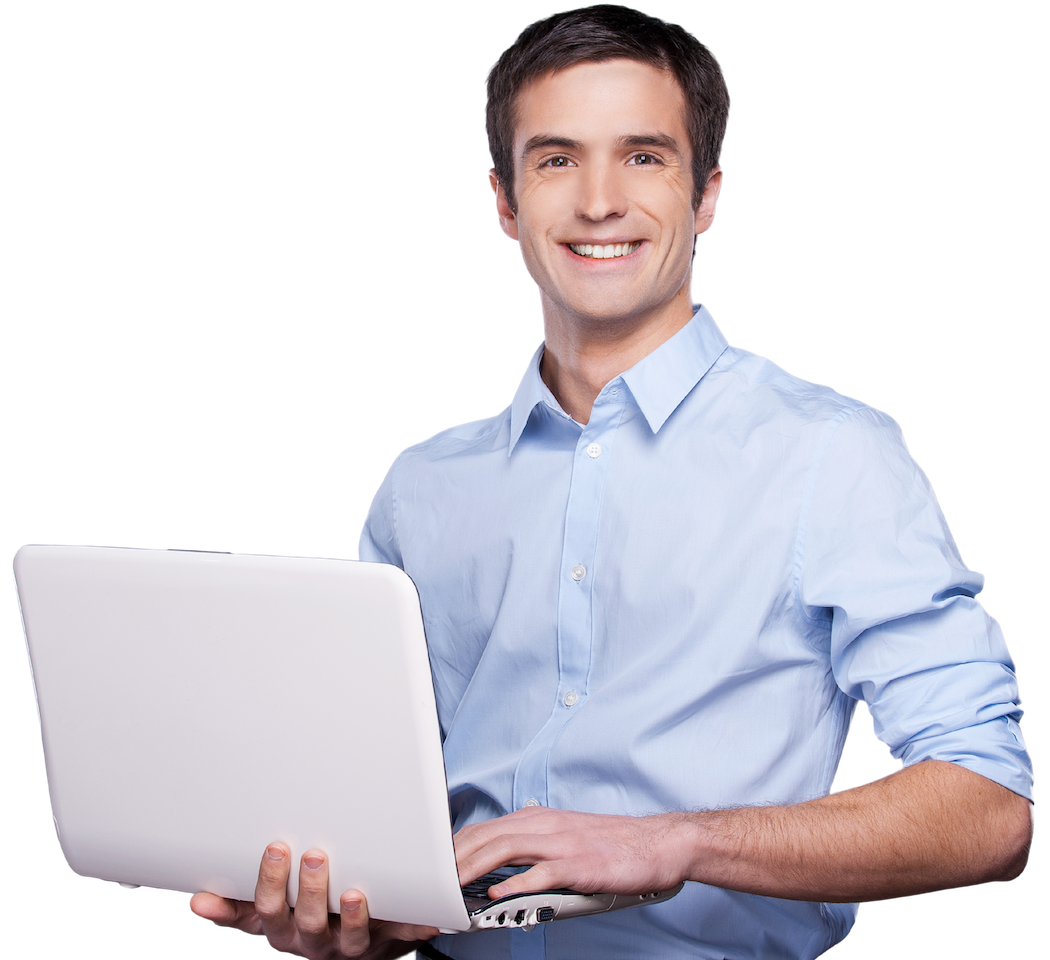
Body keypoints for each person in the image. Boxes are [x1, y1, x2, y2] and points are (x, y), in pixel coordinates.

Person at [189, 6, 1034, 958]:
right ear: (504, 202)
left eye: (643, 157)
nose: (599, 202)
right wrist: (348, 919)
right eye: (555, 160)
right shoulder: (421, 488)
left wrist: (673, 843)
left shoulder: (833, 456)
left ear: (707, 194)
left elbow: (989, 807)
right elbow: (390, 827)